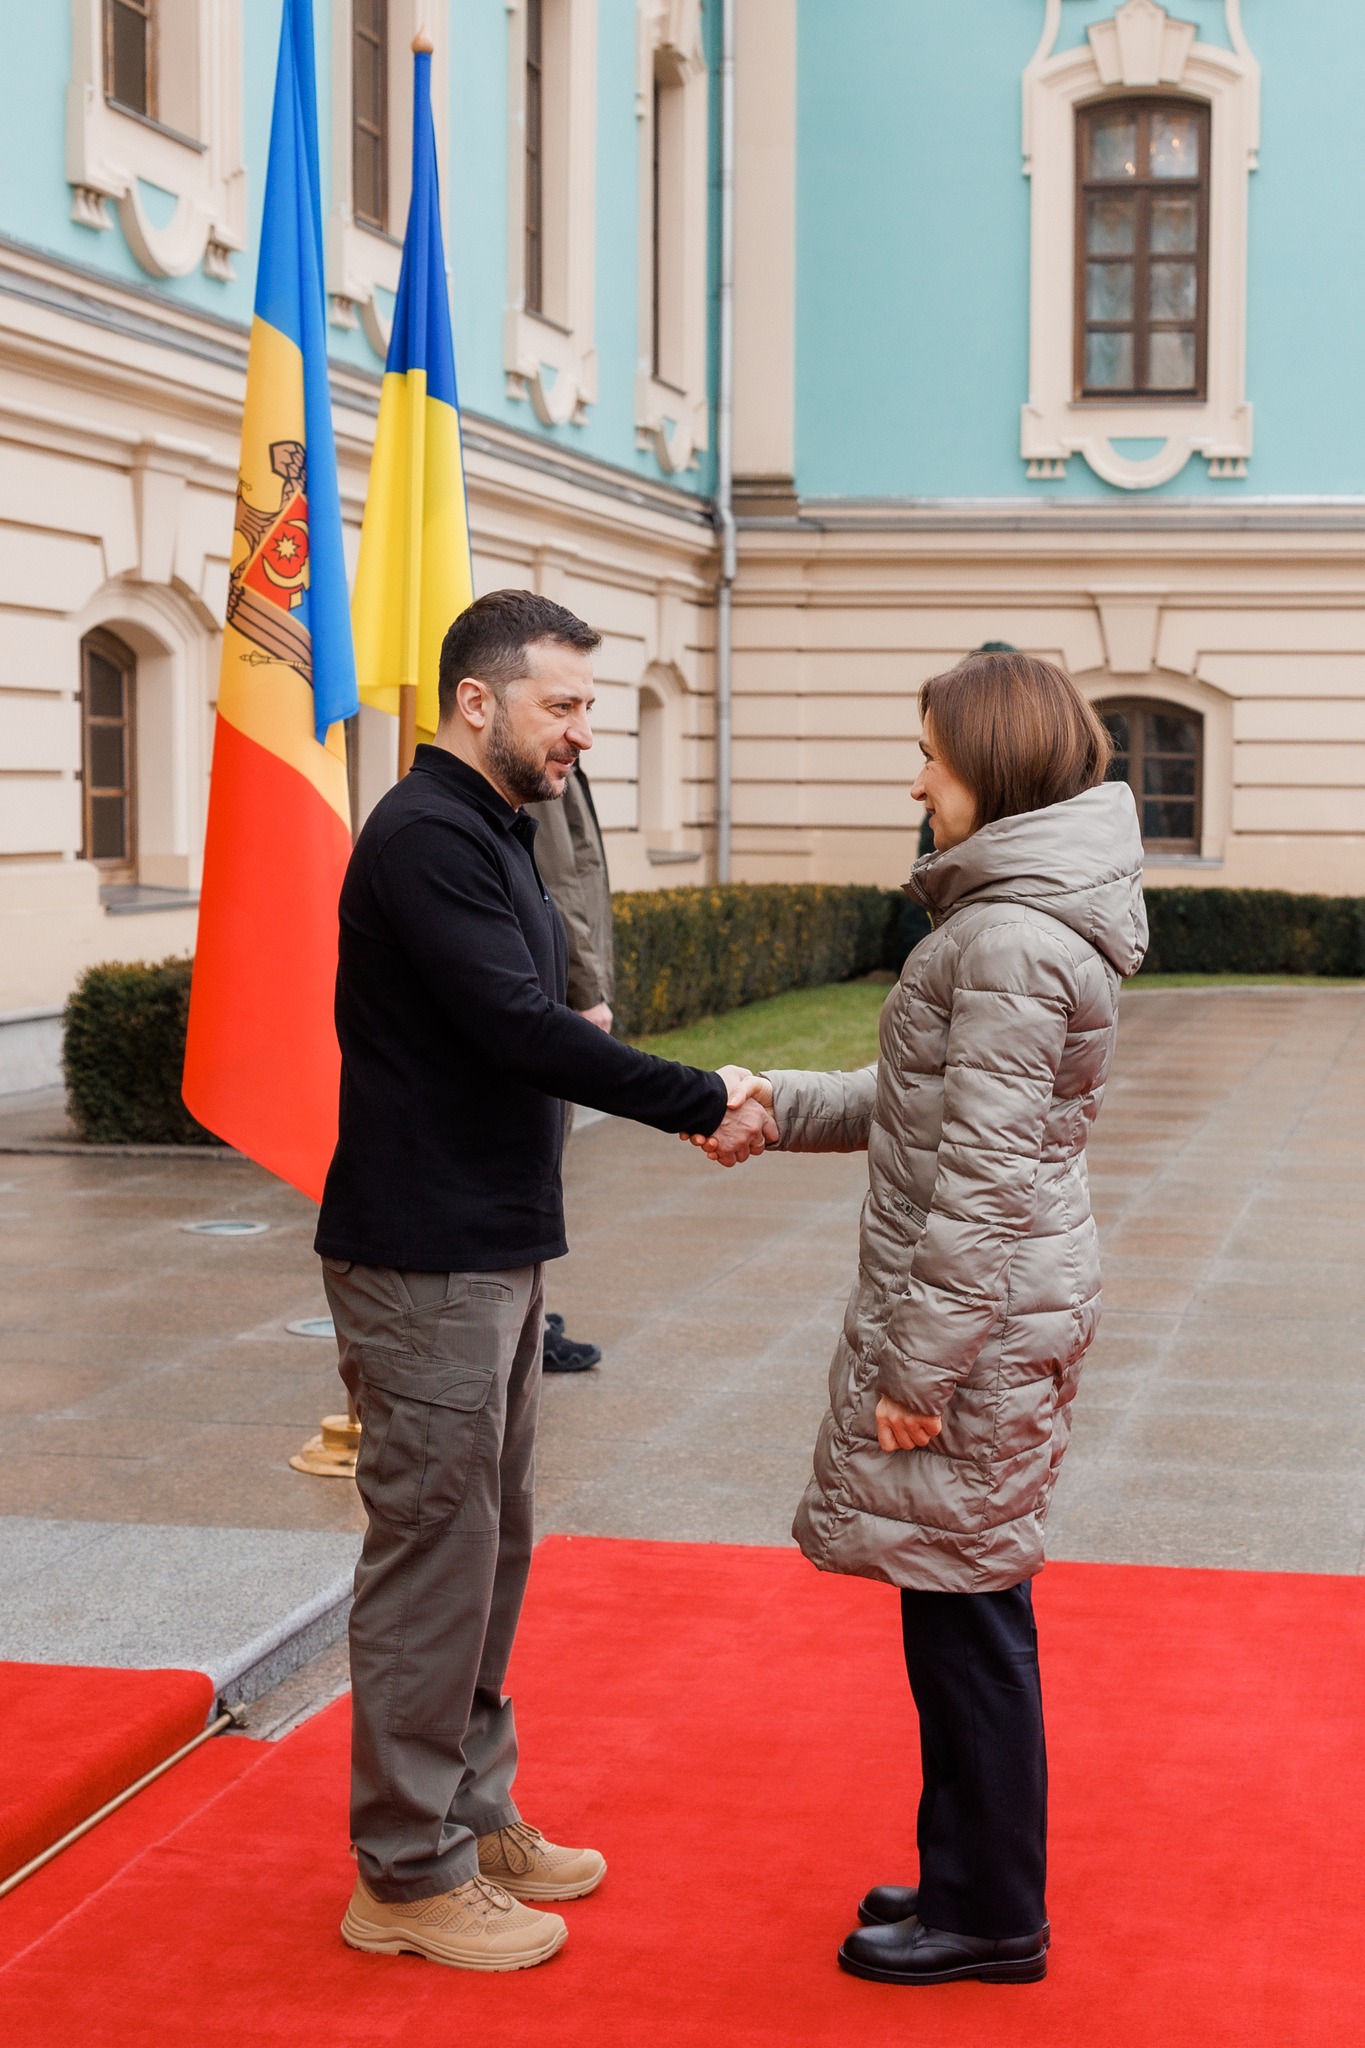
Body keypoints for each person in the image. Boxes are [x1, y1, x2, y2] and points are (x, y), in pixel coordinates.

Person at [315, 588, 774, 1973]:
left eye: (587, 705)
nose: (583, 730)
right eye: (563, 704)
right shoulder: (427, 837)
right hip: (423, 1258)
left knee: (493, 1548)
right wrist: (704, 1094)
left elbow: (547, 1009)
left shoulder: (497, 828)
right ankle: (401, 1875)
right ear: (477, 701)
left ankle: (471, 1809)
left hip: (492, 1242)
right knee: (432, 1560)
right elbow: (520, 1027)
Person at [695, 651, 1146, 1987]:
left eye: (931, 758)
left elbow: (983, 1180)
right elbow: (924, 1104)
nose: (915, 778)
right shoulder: (1008, 921)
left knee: (970, 1620)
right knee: (960, 1605)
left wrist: (921, 1367)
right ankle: (967, 1872)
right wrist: (777, 1103)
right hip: (1005, 1311)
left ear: (991, 773)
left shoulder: (1005, 937)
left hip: (983, 1324)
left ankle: (991, 1913)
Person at [525, 761, 614, 1372]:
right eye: (569, 705)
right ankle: (527, 1324)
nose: (582, 726)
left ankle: (530, 1313)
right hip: (559, 992)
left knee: (545, 1161)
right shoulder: (538, 765)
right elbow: (561, 881)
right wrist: (586, 988)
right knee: (538, 1160)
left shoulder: (558, 756)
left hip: (562, 986)